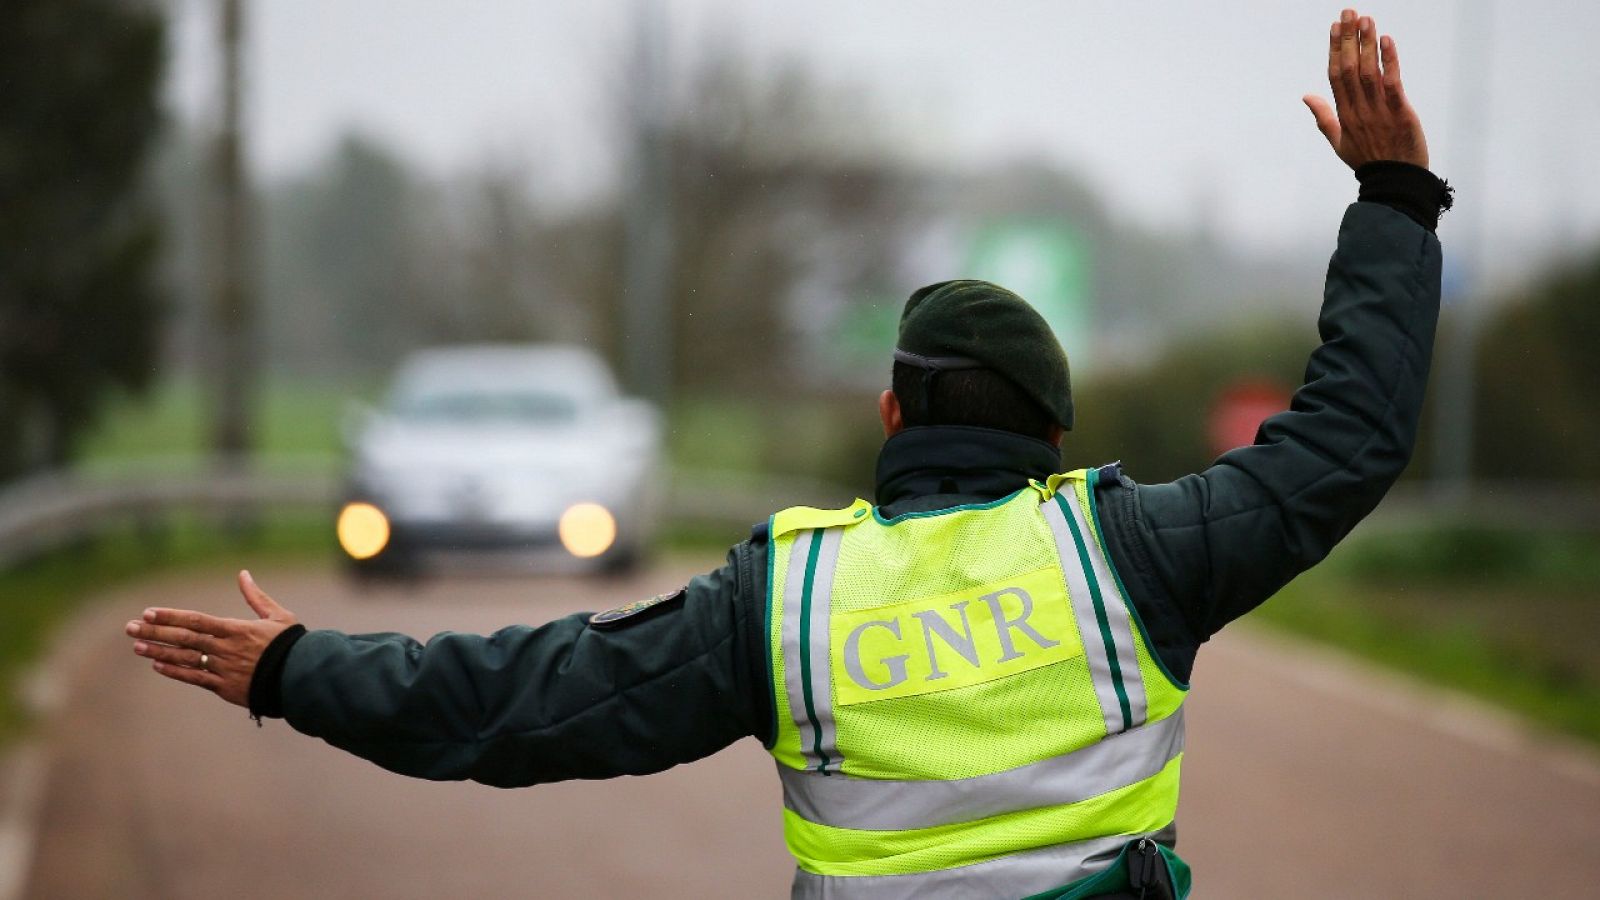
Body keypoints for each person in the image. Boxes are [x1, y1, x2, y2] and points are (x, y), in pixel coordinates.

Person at [125, 10, 1450, 898]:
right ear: (1053, 439)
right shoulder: (1133, 557)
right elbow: (1348, 437)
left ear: (891, 422)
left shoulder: (790, 602)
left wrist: (297, 671)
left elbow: (519, 703)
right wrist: (1391, 205)